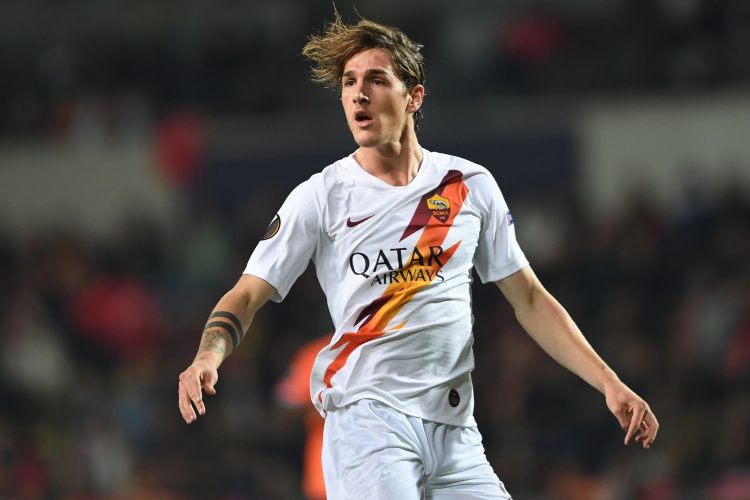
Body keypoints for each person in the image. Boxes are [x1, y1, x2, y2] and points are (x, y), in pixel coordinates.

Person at [178, 13, 659, 500]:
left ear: (414, 96)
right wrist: (206, 356)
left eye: (375, 80)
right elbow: (247, 294)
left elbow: (530, 300)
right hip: (368, 425)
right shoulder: (321, 196)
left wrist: (609, 383)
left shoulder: (468, 186)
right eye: (349, 83)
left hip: (456, 433)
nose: (358, 94)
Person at [275, 335, 330, 500]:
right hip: (325, 474)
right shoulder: (320, 353)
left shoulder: (389, 344)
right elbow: (284, 406)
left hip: (380, 468)